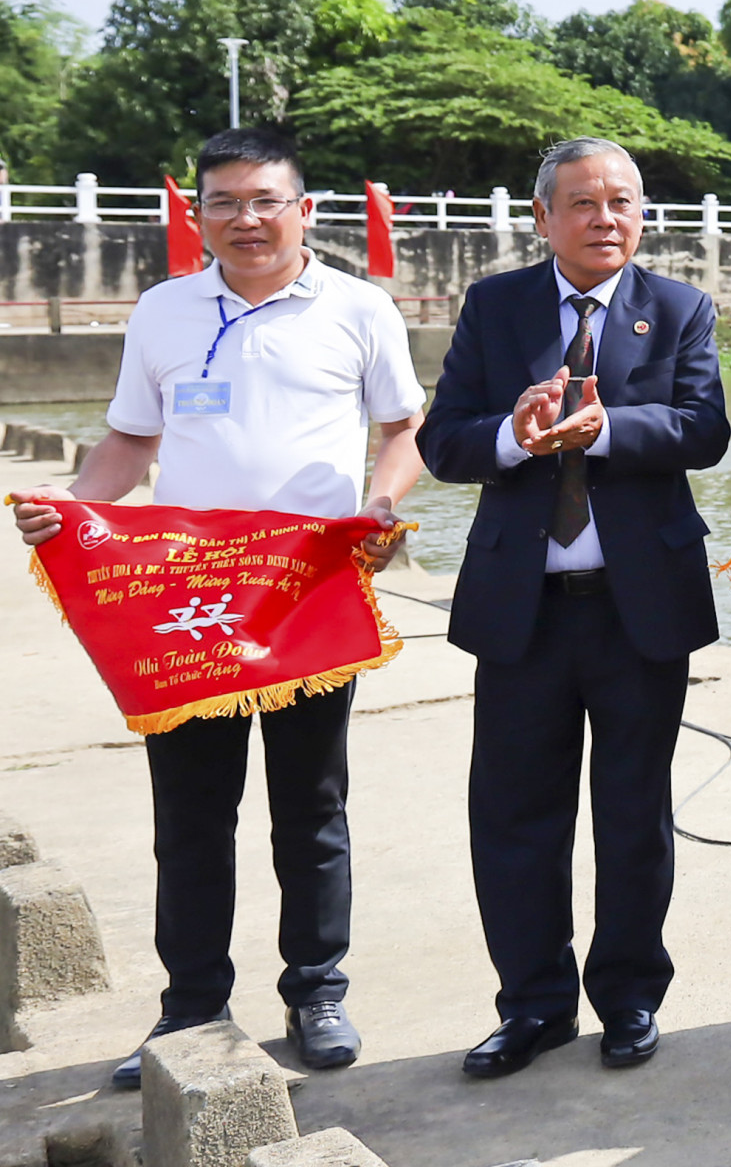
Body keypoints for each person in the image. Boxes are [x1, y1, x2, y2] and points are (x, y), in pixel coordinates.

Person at [10, 128, 424, 1087]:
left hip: (306, 593)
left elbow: (404, 429)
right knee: (190, 811)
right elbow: (126, 442)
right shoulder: (162, 312)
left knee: (310, 804)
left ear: (304, 209)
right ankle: (190, 1007)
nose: (247, 219)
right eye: (226, 203)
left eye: (266, 200)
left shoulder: (357, 309)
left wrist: (382, 503)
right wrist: (72, 513)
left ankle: (316, 989)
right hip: (184, 600)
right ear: (199, 214)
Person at [417, 137, 729, 1078]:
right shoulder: (497, 305)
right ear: (544, 215)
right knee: (515, 815)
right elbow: (442, 440)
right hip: (524, 609)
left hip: (639, 610)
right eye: (585, 204)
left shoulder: (678, 308)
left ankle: (629, 996)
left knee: (635, 813)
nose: (607, 220)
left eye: (624, 202)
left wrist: (612, 430)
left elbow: (705, 428)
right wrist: (512, 437)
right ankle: (534, 1006)